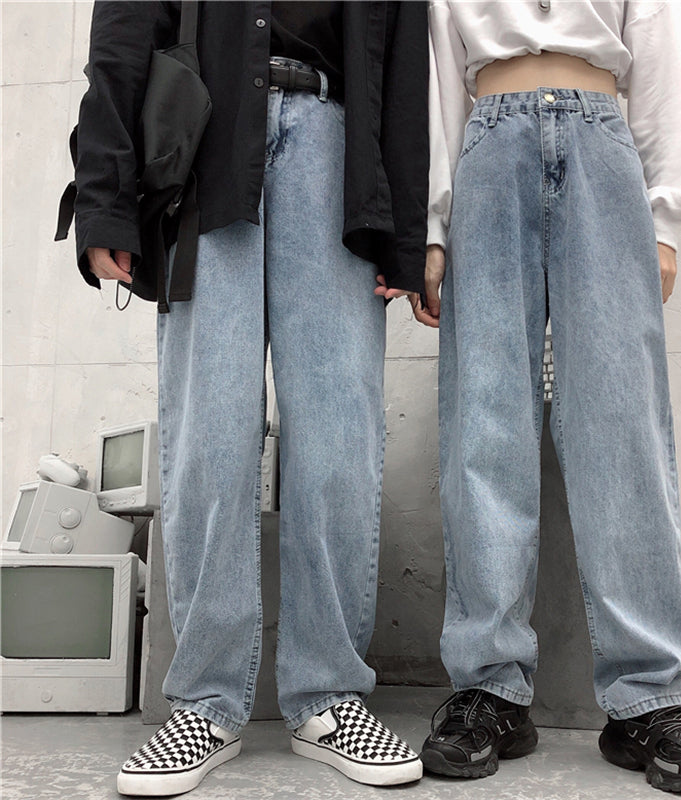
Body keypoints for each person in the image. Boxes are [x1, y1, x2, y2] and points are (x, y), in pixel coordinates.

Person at [69, 1, 428, 795]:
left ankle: (329, 696)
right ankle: (205, 701)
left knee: (338, 441)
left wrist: (405, 233)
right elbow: (122, 40)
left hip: (336, 151)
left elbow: (406, 64)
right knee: (209, 438)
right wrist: (104, 201)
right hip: (204, 147)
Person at [406, 0, 681, 793]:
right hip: (488, 144)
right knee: (484, 428)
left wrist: (665, 218)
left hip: (601, 140)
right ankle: (490, 690)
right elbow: (436, 79)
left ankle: (649, 698)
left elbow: (663, 56)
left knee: (620, 426)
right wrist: (432, 226)